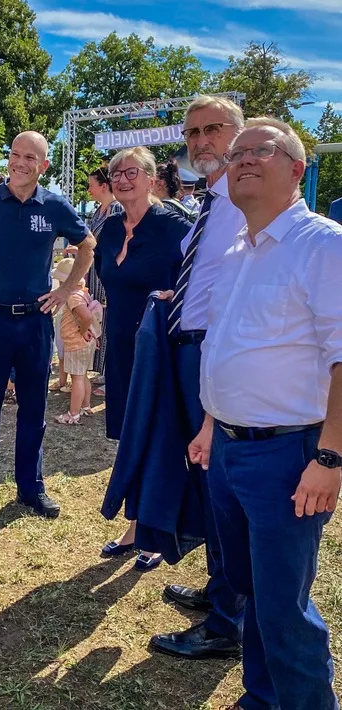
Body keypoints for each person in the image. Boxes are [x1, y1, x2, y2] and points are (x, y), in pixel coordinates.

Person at [194, 117, 342, 710]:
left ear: (298, 171)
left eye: (263, 150)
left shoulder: (324, 245)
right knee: (251, 588)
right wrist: (210, 425)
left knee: (283, 605)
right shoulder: (235, 253)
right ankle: (262, 698)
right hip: (229, 449)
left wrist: (330, 456)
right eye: (237, 153)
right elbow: (222, 346)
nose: (245, 159)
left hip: (290, 454)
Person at [0, 131, 96, 523]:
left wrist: (66, 288)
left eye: (29, 157)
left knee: (34, 410)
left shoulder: (53, 205)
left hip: (35, 322)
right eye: (15, 154)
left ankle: (32, 489)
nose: (19, 162)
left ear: (43, 165)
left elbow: (87, 244)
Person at [151, 95, 246, 660]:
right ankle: (220, 592)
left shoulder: (245, 198)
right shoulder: (212, 201)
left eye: (214, 130)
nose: (201, 141)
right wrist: (178, 300)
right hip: (191, 348)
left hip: (217, 353)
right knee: (205, 476)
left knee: (222, 481)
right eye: (193, 133)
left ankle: (229, 620)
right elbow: (209, 276)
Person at [95, 146, 190, 572]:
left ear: (152, 180)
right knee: (130, 435)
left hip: (160, 349)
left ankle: (152, 531)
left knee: (158, 438)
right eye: (116, 173)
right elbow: (101, 273)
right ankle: (137, 525)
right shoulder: (111, 226)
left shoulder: (173, 226)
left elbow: (203, 276)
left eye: (132, 172)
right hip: (120, 345)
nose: (122, 179)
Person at [85, 166, 122, 396]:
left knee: (109, 323)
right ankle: (103, 369)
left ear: (104, 186)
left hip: (107, 276)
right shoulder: (99, 211)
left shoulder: (116, 210)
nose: (88, 190)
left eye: (91, 185)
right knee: (99, 320)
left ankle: (112, 375)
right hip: (95, 276)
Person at [52, 258, 98, 425]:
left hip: (75, 343)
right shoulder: (82, 294)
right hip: (84, 343)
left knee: (77, 378)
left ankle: (73, 413)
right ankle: (85, 406)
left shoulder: (73, 298)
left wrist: (82, 330)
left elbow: (86, 316)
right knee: (83, 376)